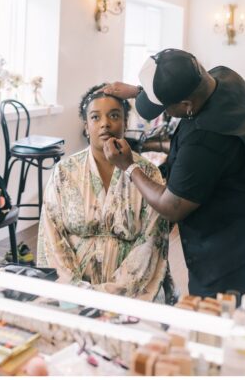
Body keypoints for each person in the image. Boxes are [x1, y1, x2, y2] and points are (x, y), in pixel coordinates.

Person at [99, 48, 245, 302]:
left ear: (187, 105)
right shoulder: (224, 77)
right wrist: (139, 91)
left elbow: (171, 207)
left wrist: (129, 165)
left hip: (238, 251)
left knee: (215, 320)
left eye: (165, 108)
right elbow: (180, 81)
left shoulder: (205, 139)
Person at [35, 84, 169, 301]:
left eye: (114, 116)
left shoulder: (148, 174)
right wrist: (74, 292)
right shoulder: (64, 173)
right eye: (95, 117)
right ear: (86, 126)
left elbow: (152, 241)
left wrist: (113, 295)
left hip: (131, 294)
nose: (105, 123)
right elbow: (51, 238)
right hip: (71, 294)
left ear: (125, 123)